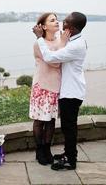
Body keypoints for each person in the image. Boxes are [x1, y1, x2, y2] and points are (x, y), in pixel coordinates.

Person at [33, 12, 87, 171]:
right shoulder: (73, 40)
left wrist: (39, 38)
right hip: (64, 89)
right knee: (67, 127)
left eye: (65, 22)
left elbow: (51, 59)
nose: (61, 24)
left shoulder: (75, 45)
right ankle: (67, 154)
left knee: (68, 128)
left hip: (71, 92)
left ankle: (71, 160)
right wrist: (58, 40)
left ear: (71, 28)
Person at [29, 12, 66, 165]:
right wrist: (63, 44)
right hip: (42, 87)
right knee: (39, 121)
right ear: (44, 26)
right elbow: (55, 62)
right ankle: (39, 150)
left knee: (51, 121)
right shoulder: (39, 44)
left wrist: (63, 42)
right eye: (52, 20)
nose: (57, 22)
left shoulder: (60, 41)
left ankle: (47, 149)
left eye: (57, 19)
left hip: (55, 87)